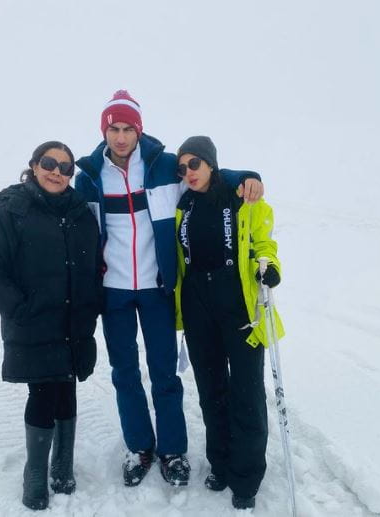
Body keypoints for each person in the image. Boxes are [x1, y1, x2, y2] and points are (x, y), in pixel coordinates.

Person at [75, 90, 264, 488]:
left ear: (139, 130)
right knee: (124, 372)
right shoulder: (89, 177)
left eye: (128, 128)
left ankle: (173, 450)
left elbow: (209, 179)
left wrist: (247, 178)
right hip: (114, 291)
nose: (121, 137)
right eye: (114, 128)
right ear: (104, 130)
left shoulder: (163, 167)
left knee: (164, 372)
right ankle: (139, 447)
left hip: (158, 286)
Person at [0, 141, 102, 510]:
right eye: (49, 163)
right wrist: (19, 308)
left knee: (67, 387)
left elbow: (92, 266)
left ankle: (63, 464)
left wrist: (92, 305)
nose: (57, 172)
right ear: (33, 165)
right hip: (33, 323)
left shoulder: (80, 213)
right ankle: (36, 472)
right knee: (42, 393)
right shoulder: (8, 212)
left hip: (74, 322)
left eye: (65, 167)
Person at [174, 136, 284, 510]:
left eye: (194, 164)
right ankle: (220, 462)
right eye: (182, 167)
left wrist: (269, 269)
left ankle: (247, 475)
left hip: (238, 305)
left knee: (247, 392)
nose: (188, 172)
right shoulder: (182, 204)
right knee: (211, 389)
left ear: (210, 164)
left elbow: (264, 245)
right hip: (196, 303)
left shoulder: (243, 199)